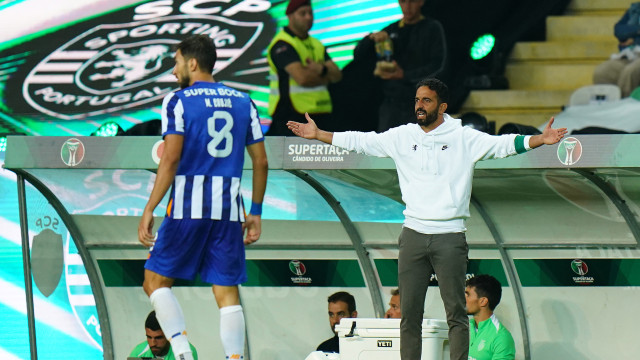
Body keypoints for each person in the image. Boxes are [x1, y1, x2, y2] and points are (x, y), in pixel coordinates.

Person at [287, 77, 566, 360]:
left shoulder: (463, 137)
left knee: (456, 313)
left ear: (442, 106)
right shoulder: (403, 136)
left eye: (427, 101)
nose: (419, 106)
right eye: (417, 100)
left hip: (450, 235)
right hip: (413, 234)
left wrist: (540, 140)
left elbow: (503, 144)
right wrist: (320, 134)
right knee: (409, 314)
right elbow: (362, 141)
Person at [137, 34, 268, 360]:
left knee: (154, 281)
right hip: (228, 211)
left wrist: (150, 207)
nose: (173, 70)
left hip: (186, 208)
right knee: (225, 291)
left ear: (192, 63)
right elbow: (261, 161)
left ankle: (181, 352)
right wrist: (256, 211)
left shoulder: (178, 101)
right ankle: (235, 358)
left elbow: (170, 159)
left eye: (177, 62)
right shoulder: (244, 102)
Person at [353, 0, 447, 132]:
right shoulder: (391, 30)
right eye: (403, 2)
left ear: (421, 2)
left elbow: (437, 65)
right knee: (386, 149)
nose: (407, 7)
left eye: (411, 2)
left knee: (419, 148)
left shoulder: (432, 28)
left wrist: (404, 75)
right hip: (392, 104)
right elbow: (358, 55)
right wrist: (371, 38)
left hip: (421, 103)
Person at [265, 0, 342, 136]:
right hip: (292, 116)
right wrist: (325, 73)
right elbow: (303, 78)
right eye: (303, 13)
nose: (308, 17)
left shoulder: (316, 43)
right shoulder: (282, 44)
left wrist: (321, 70)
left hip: (321, 114)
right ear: (290, 16)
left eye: (310, 13)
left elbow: (337, 75)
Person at [593, 2, 640, 98]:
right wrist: (637, 31)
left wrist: (633, 37)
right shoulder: (636, 9)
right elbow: (619, 30)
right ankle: (608, 109)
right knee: (603, 72)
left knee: (630, 72)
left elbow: (625, 33)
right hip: (631, 54)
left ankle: (625, 109)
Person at [466, 275, 516, 360]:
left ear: (483, 301)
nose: (463, 299)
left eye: (468, 295)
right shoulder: (464, 327)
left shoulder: (501, 337)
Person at [129, 311, 199, 359]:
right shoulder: (138, 353)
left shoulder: (185, 350)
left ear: (168, 335)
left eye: (158, 338)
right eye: (149, 337)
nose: (153, 343)